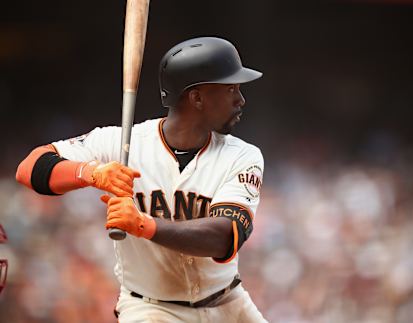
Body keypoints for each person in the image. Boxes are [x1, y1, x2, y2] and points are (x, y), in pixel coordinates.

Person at [16, 36, 267, 322]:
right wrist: (91, 174)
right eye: (231, 88)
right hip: (151, 309)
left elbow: (225, 237)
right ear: (196, 97)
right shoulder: (122, 142)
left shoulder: (243, 156)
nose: (240, 99)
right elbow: (29, 168)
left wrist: (144, 225)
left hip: (228, 303)